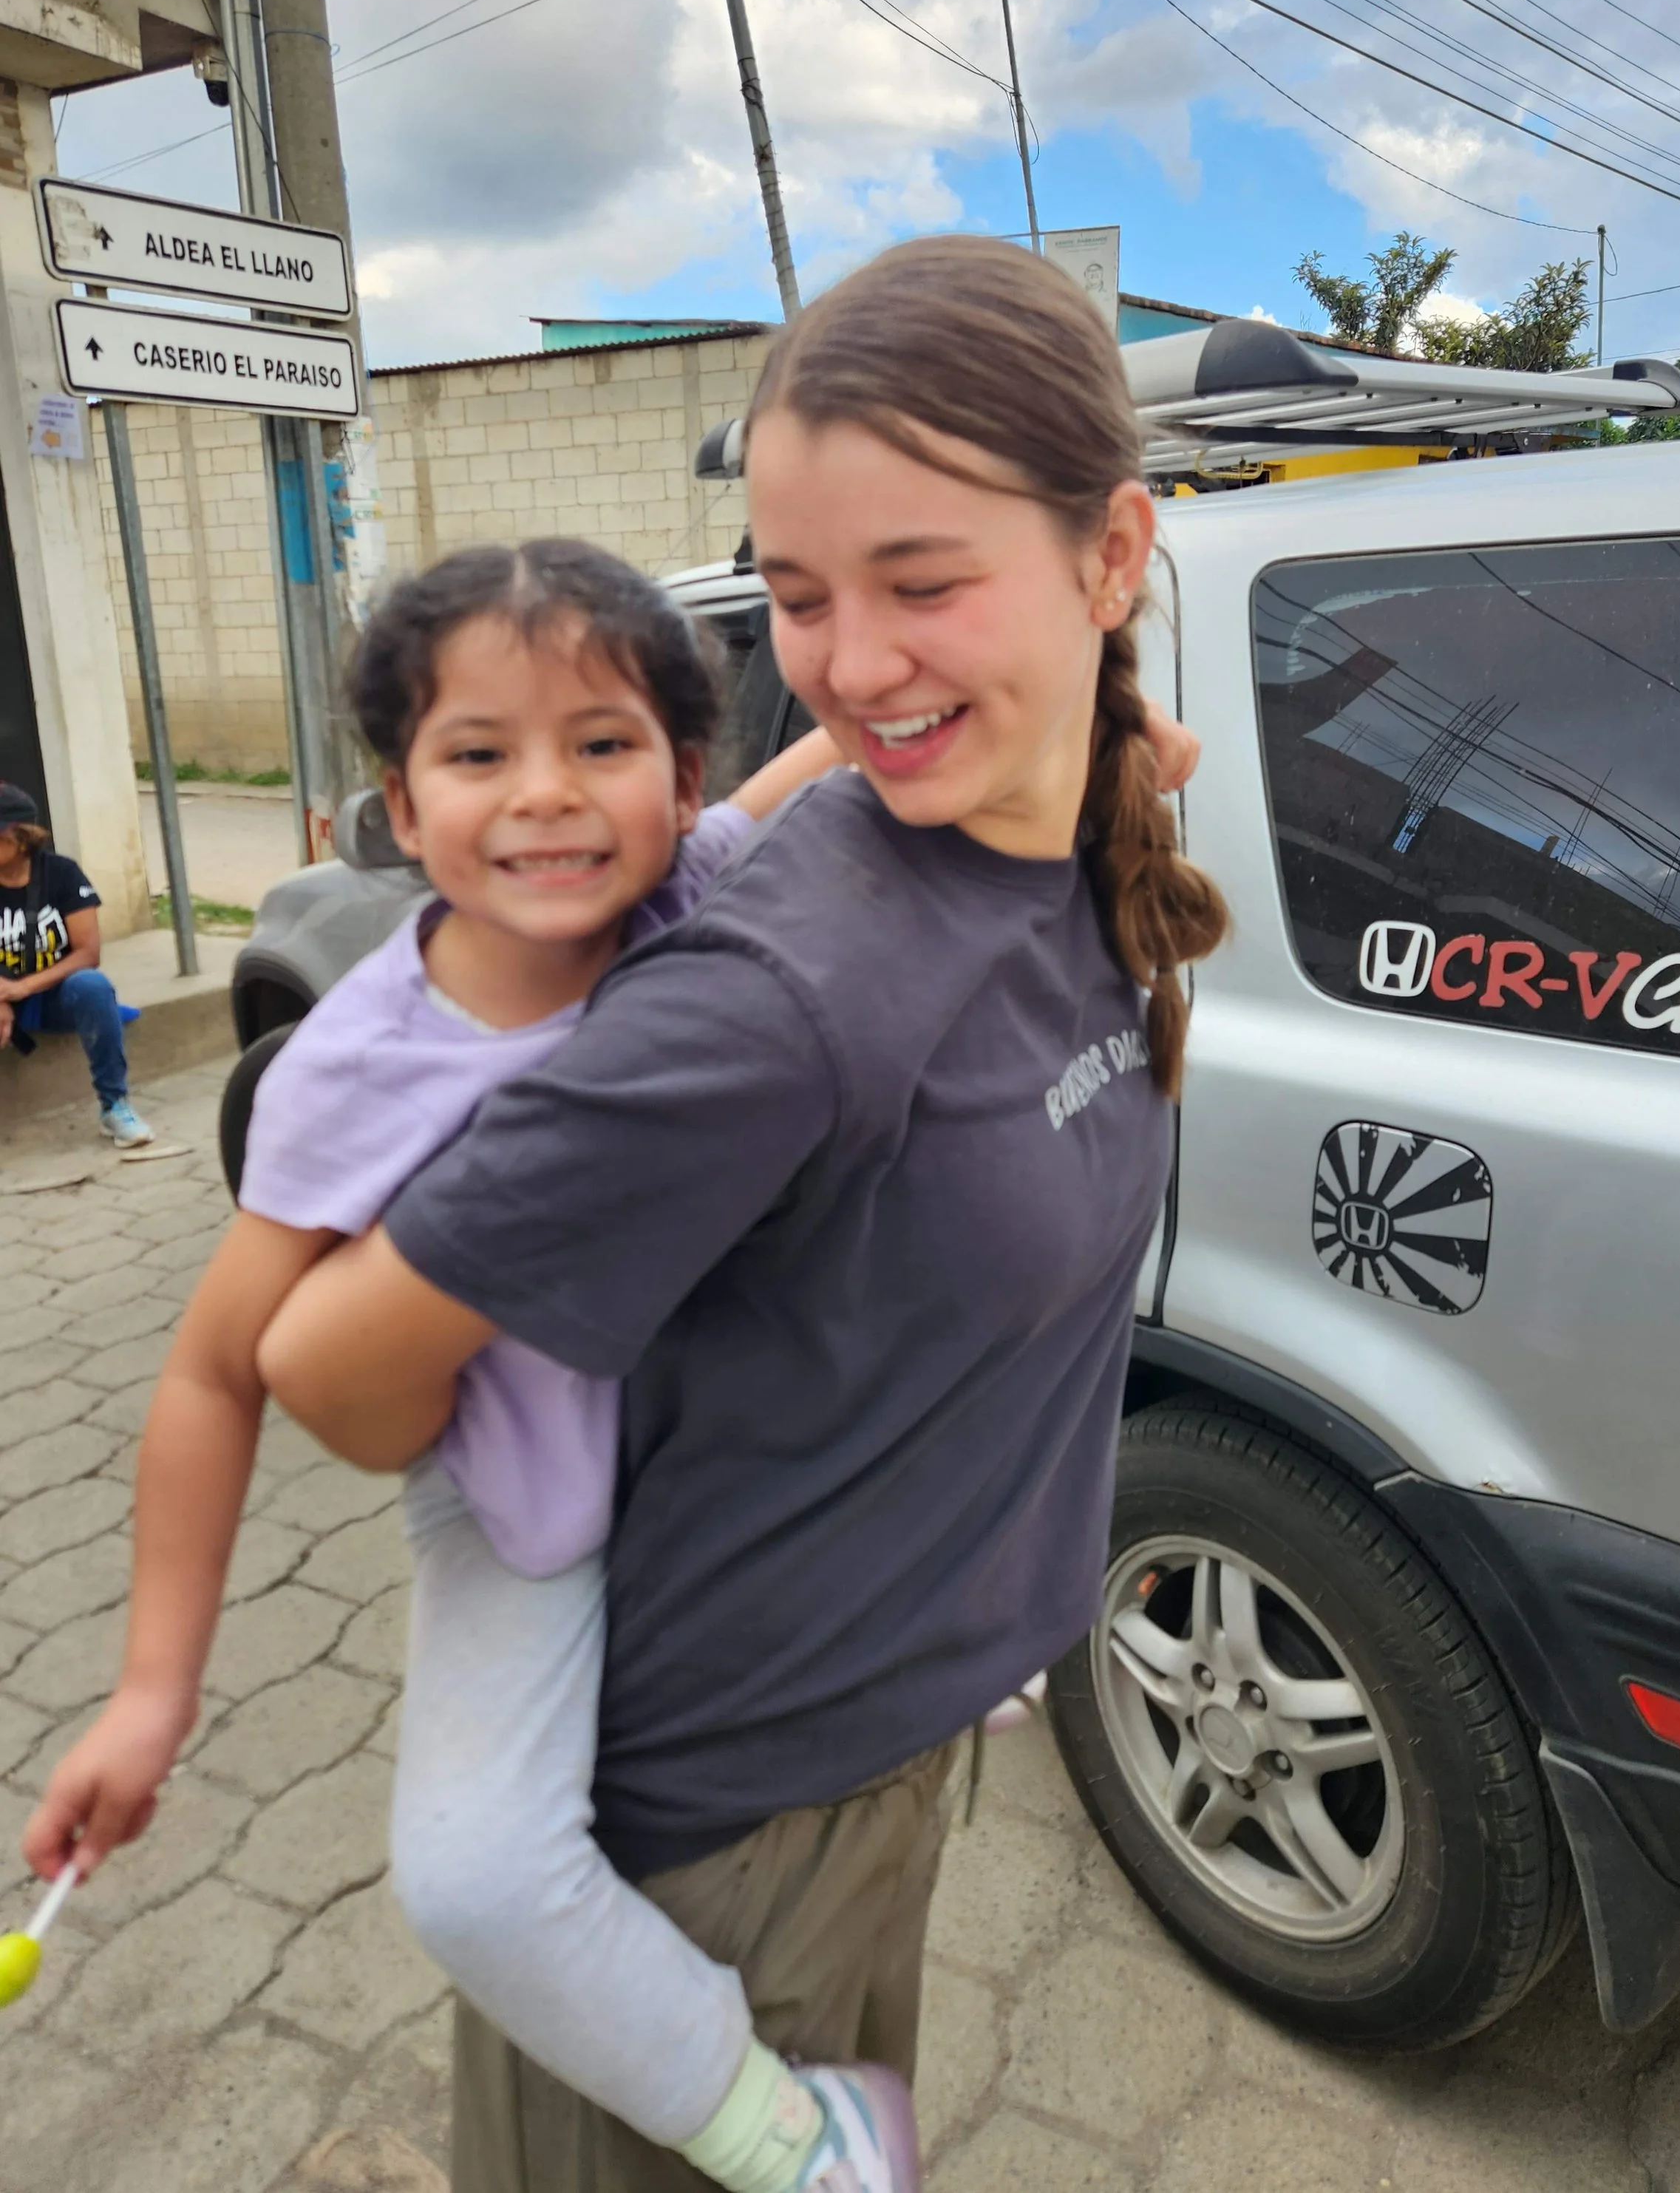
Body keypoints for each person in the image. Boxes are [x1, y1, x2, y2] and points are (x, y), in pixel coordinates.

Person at [24, 531, 1203, 2193]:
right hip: (518, 1517)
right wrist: (154, 1691)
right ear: (393, 802)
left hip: (711, 1459)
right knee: (475, 1882)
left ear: (677, 770)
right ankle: (777, 2125)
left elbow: (828, 770)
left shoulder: (694, 894)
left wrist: (1090, 739)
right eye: (479, 753)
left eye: (601, 744)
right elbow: (221, 1375)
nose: (548, 798)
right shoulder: (353, 1068)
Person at [240, 235, 1231, 2193]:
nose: (850, 663)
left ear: (1109, 556)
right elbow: (331, 1375)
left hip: (885, 1759)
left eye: (918, 580)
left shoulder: (1074, 816)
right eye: (795, 598)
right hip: (695, 1861)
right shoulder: (773, 1006)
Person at [0, 783, 154, 1147]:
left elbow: (88, 953)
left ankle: (114, 1106)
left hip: (52, 995)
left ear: (20, 837)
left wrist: (21, 988)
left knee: (92, 986)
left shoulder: (62, 874)